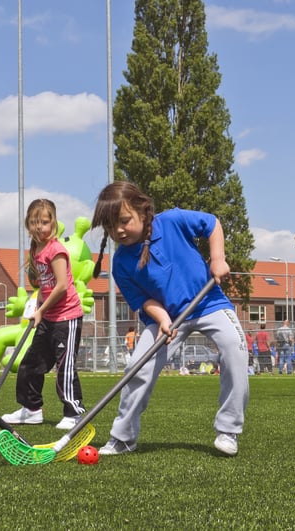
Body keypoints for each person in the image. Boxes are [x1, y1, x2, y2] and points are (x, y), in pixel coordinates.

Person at [89, 181, 248, 457]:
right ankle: (123, 437)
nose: (119, 230)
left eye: (124, 221)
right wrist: (161, 317)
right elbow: (142, 300)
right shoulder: (121, 263)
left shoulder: (172, 220)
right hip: (168, 317)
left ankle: (228, 430)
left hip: (209, 302)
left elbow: (212, 224)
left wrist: (217, 258)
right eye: (111, 226)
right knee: (138, 367)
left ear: (142, 210)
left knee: (235, 349)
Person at [1, 199, 86, 431]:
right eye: (34, 222)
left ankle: (73, 412)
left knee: (64, 366)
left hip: (67, 317)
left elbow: (61, 287)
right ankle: (31, 410)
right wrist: (35, 306)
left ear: (54, 223)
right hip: (48, 316)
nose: (40, 227)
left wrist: (41, 310)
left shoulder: (56, 250)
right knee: (31, 363)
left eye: (45, 222)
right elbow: (43, 286)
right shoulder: (36, 249)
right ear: (27, 224)